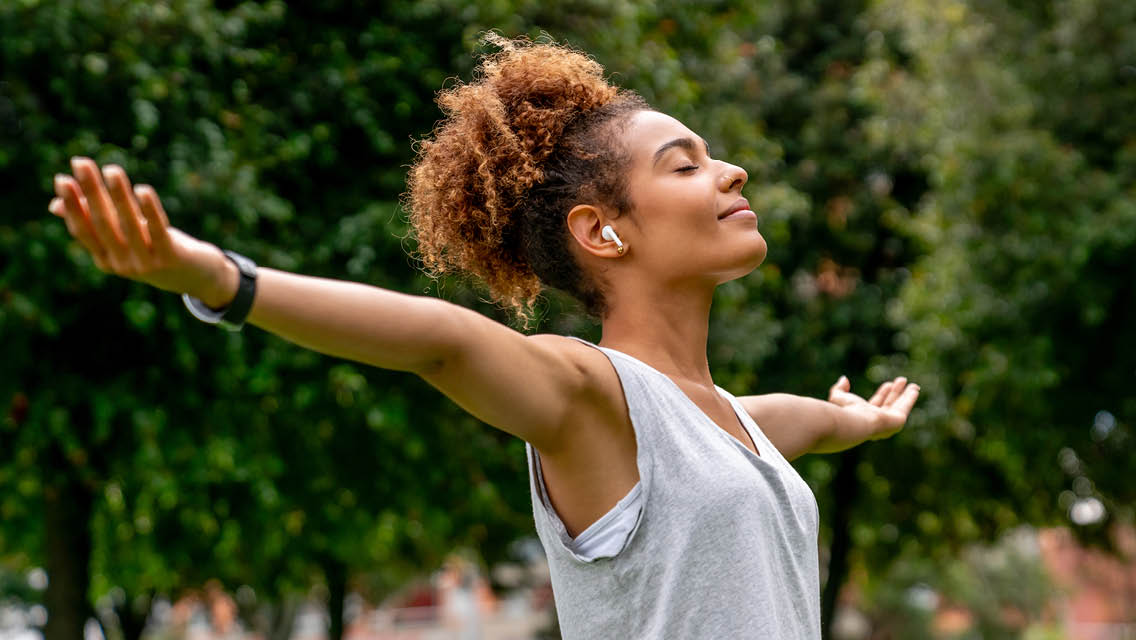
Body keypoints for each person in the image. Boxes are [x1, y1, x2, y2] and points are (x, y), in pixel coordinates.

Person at [47, 35, 919, 639]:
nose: (729, 170)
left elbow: (803, 421)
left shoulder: (735, 422)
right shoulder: (594, 400)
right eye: (684, 165)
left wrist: (864, 422)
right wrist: (220, 280)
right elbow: (444, 342)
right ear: (602, 231)